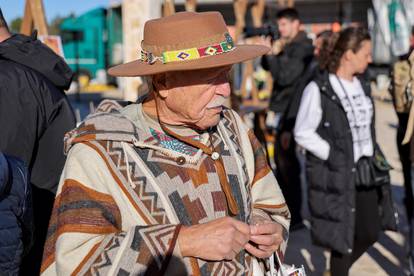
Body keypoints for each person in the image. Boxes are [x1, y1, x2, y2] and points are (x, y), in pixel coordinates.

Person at [40, 11, 290, 275]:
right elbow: (76, 262)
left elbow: (270, 204)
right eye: (210, 78)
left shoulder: (233, 128)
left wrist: (268, 226)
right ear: (163, 83)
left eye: (226, 75)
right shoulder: (98, 151)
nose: (226, 90)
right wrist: (183, 241)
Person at [294, 27, 397, 275]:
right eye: (366, 53)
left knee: (370, 231)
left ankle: (335, 271)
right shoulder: (319, 88)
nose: (370, 59)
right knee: (343, 239)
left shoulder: (363, 85)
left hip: (366, 170)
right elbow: (303, 132)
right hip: (337, 174)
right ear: (348, 54)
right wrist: (332, 153)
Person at [0, 8, 76, 275]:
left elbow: (4, 177)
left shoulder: (8, 78)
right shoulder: (24, 69)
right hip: (41, 231)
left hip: (29, 245)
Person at [261, 7, 313, 229]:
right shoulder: (289, 45)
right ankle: (287, 211)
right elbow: (268, 68)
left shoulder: (303, 48)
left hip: (293, 113)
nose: (280, 29)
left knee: (289, 165)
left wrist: (274, 56)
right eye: (279, 25)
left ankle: (296, 217)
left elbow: (284, 77)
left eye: (284, 25)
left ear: (296, 24)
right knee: (281, 164)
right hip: (282, 110)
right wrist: (268, 52)